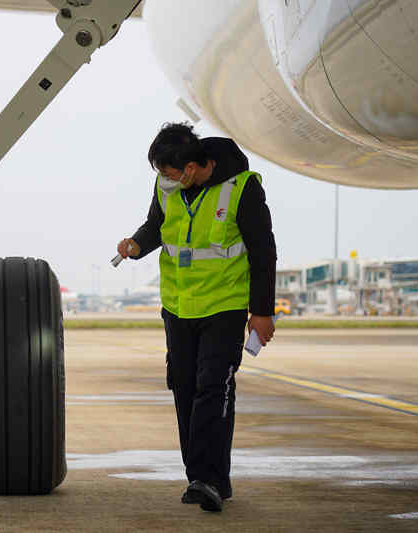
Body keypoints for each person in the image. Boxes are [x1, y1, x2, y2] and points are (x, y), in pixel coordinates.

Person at [116, 123, 276, 512]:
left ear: (191, 167)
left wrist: (262, 312)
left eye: (170, 173)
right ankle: (207, 478)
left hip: (225, 305)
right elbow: (157, 226)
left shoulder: (241, 187)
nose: (166, 181)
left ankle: (206, 478)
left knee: (212, 389)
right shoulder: (168, 187)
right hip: (178, 307)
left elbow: (262, 251)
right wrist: (137, 244)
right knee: (185, 388)